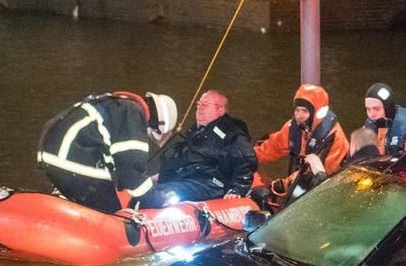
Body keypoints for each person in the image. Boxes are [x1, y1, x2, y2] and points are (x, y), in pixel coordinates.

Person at [38, 91, 177, 213]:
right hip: (73, 162)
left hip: (52, 157)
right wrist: (155, 200)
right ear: (159, 124)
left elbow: (119, 165)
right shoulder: (133, 113)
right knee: (110, 212)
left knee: (99, 197)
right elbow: (131, 172)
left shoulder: (116, 106)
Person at [153, 90, 257, 206]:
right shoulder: (196, 131)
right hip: (186, 179)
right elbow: (183, 156)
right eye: (198, 104)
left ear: (220, 110)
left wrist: (237, 188)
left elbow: (246, 158)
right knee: (149, 192)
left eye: (205, 105)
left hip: (208, 183)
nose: (199, 108)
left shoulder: (230, 132)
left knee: (158, 195)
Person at [254, 84, 350, 198]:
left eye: (304, 111)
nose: (299, 116)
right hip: (302, 179)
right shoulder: (293, 127)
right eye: (297, 110)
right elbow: (272, 147)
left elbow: (321, 174)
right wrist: (247, 156)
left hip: (329, 188)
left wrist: (279, 186)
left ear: (315, 113)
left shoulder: (333, 137)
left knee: (292, 198)